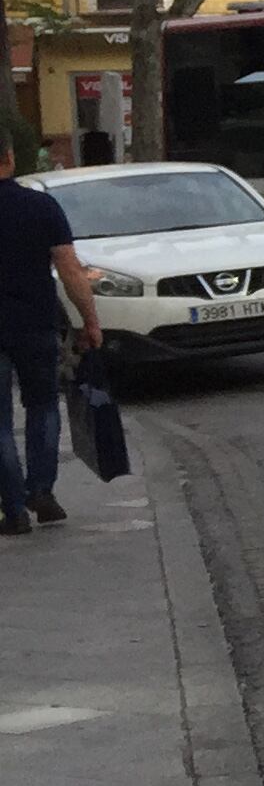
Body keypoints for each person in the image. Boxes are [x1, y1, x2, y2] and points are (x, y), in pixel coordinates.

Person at [0, 126, 103, 537]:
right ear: (9, 157)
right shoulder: (41, 207)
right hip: (36, 324)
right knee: (43, 405)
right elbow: (70, 270)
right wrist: (89, 321)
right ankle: (41, 490)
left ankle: (13, 510)